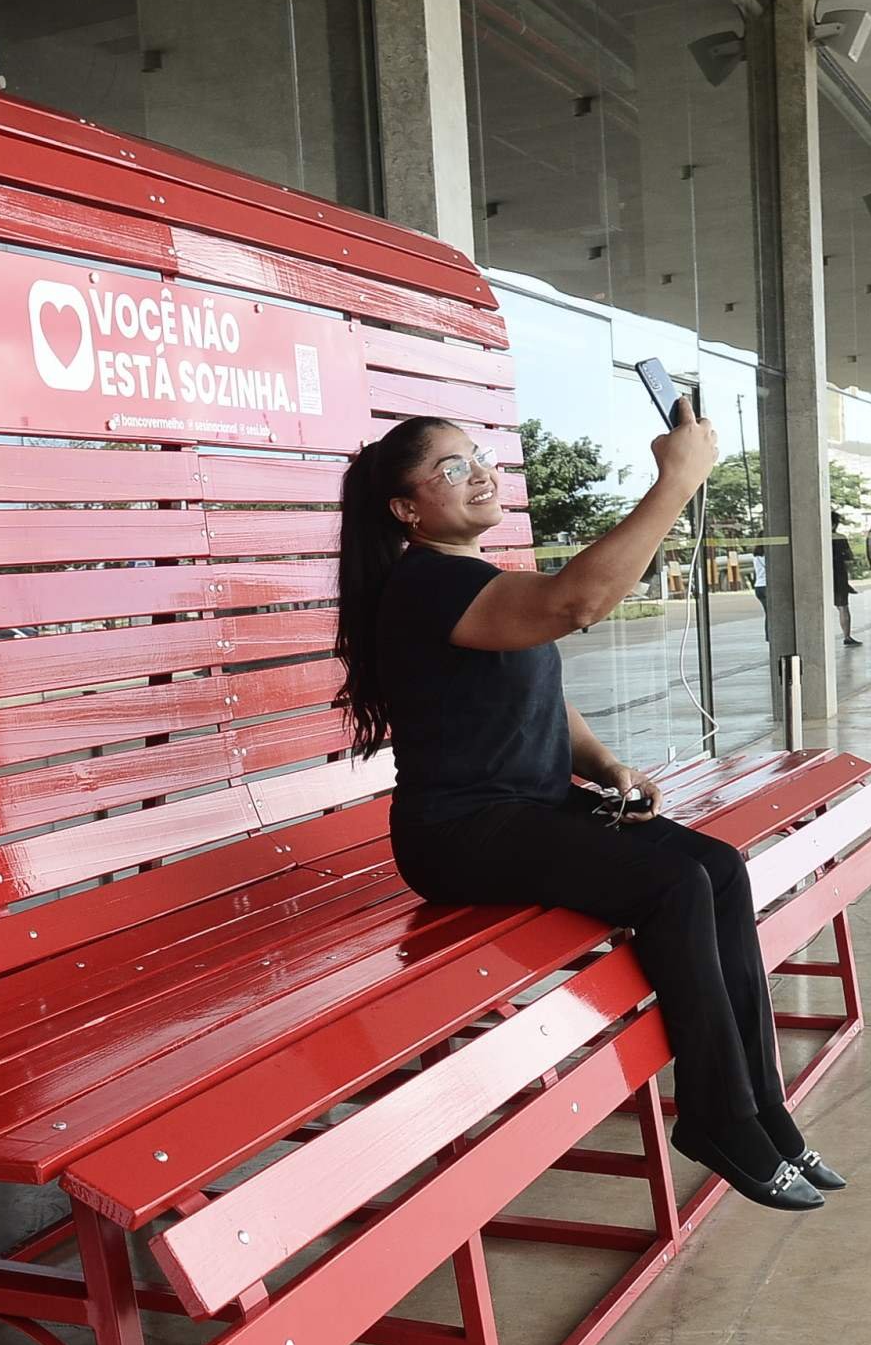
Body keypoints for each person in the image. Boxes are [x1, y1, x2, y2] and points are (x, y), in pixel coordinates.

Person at [334, 411, 838, 1211]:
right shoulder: (426, 583)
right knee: (672, 885)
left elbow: (541, 687)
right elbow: (580, 604)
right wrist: (676, 479)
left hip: (530, 811)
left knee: (714, 866)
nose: (481, 473)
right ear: (406, 509)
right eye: (453, 468)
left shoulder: (475, 580)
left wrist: (605, 764)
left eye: (481, 459)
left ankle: (761, 1108)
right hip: (459, 835)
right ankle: (716, 1118)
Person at [830, 511, 863, 646]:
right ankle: (847, 637)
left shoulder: (816, 538)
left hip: (821, 576)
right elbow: (850, 557)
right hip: (839, 576)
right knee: (843, 607)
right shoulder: (840, 538)